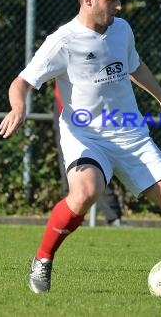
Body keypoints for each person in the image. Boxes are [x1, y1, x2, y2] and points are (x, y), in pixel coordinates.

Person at [0, 0, 161, 297]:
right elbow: (21, 82)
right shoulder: (62, 41)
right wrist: (18, 107)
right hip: (86, 136)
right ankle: (43, 259)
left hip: (131, 134)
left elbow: (135, 66)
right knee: (85, 192)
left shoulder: (121, 30)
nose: (119, 5)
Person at [54, 84, 128, 228]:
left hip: (94, 122)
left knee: (97, 172)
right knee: (70, 175)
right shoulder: (61, 66)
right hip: (67, 122)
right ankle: (70, 219)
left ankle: (114, 218)